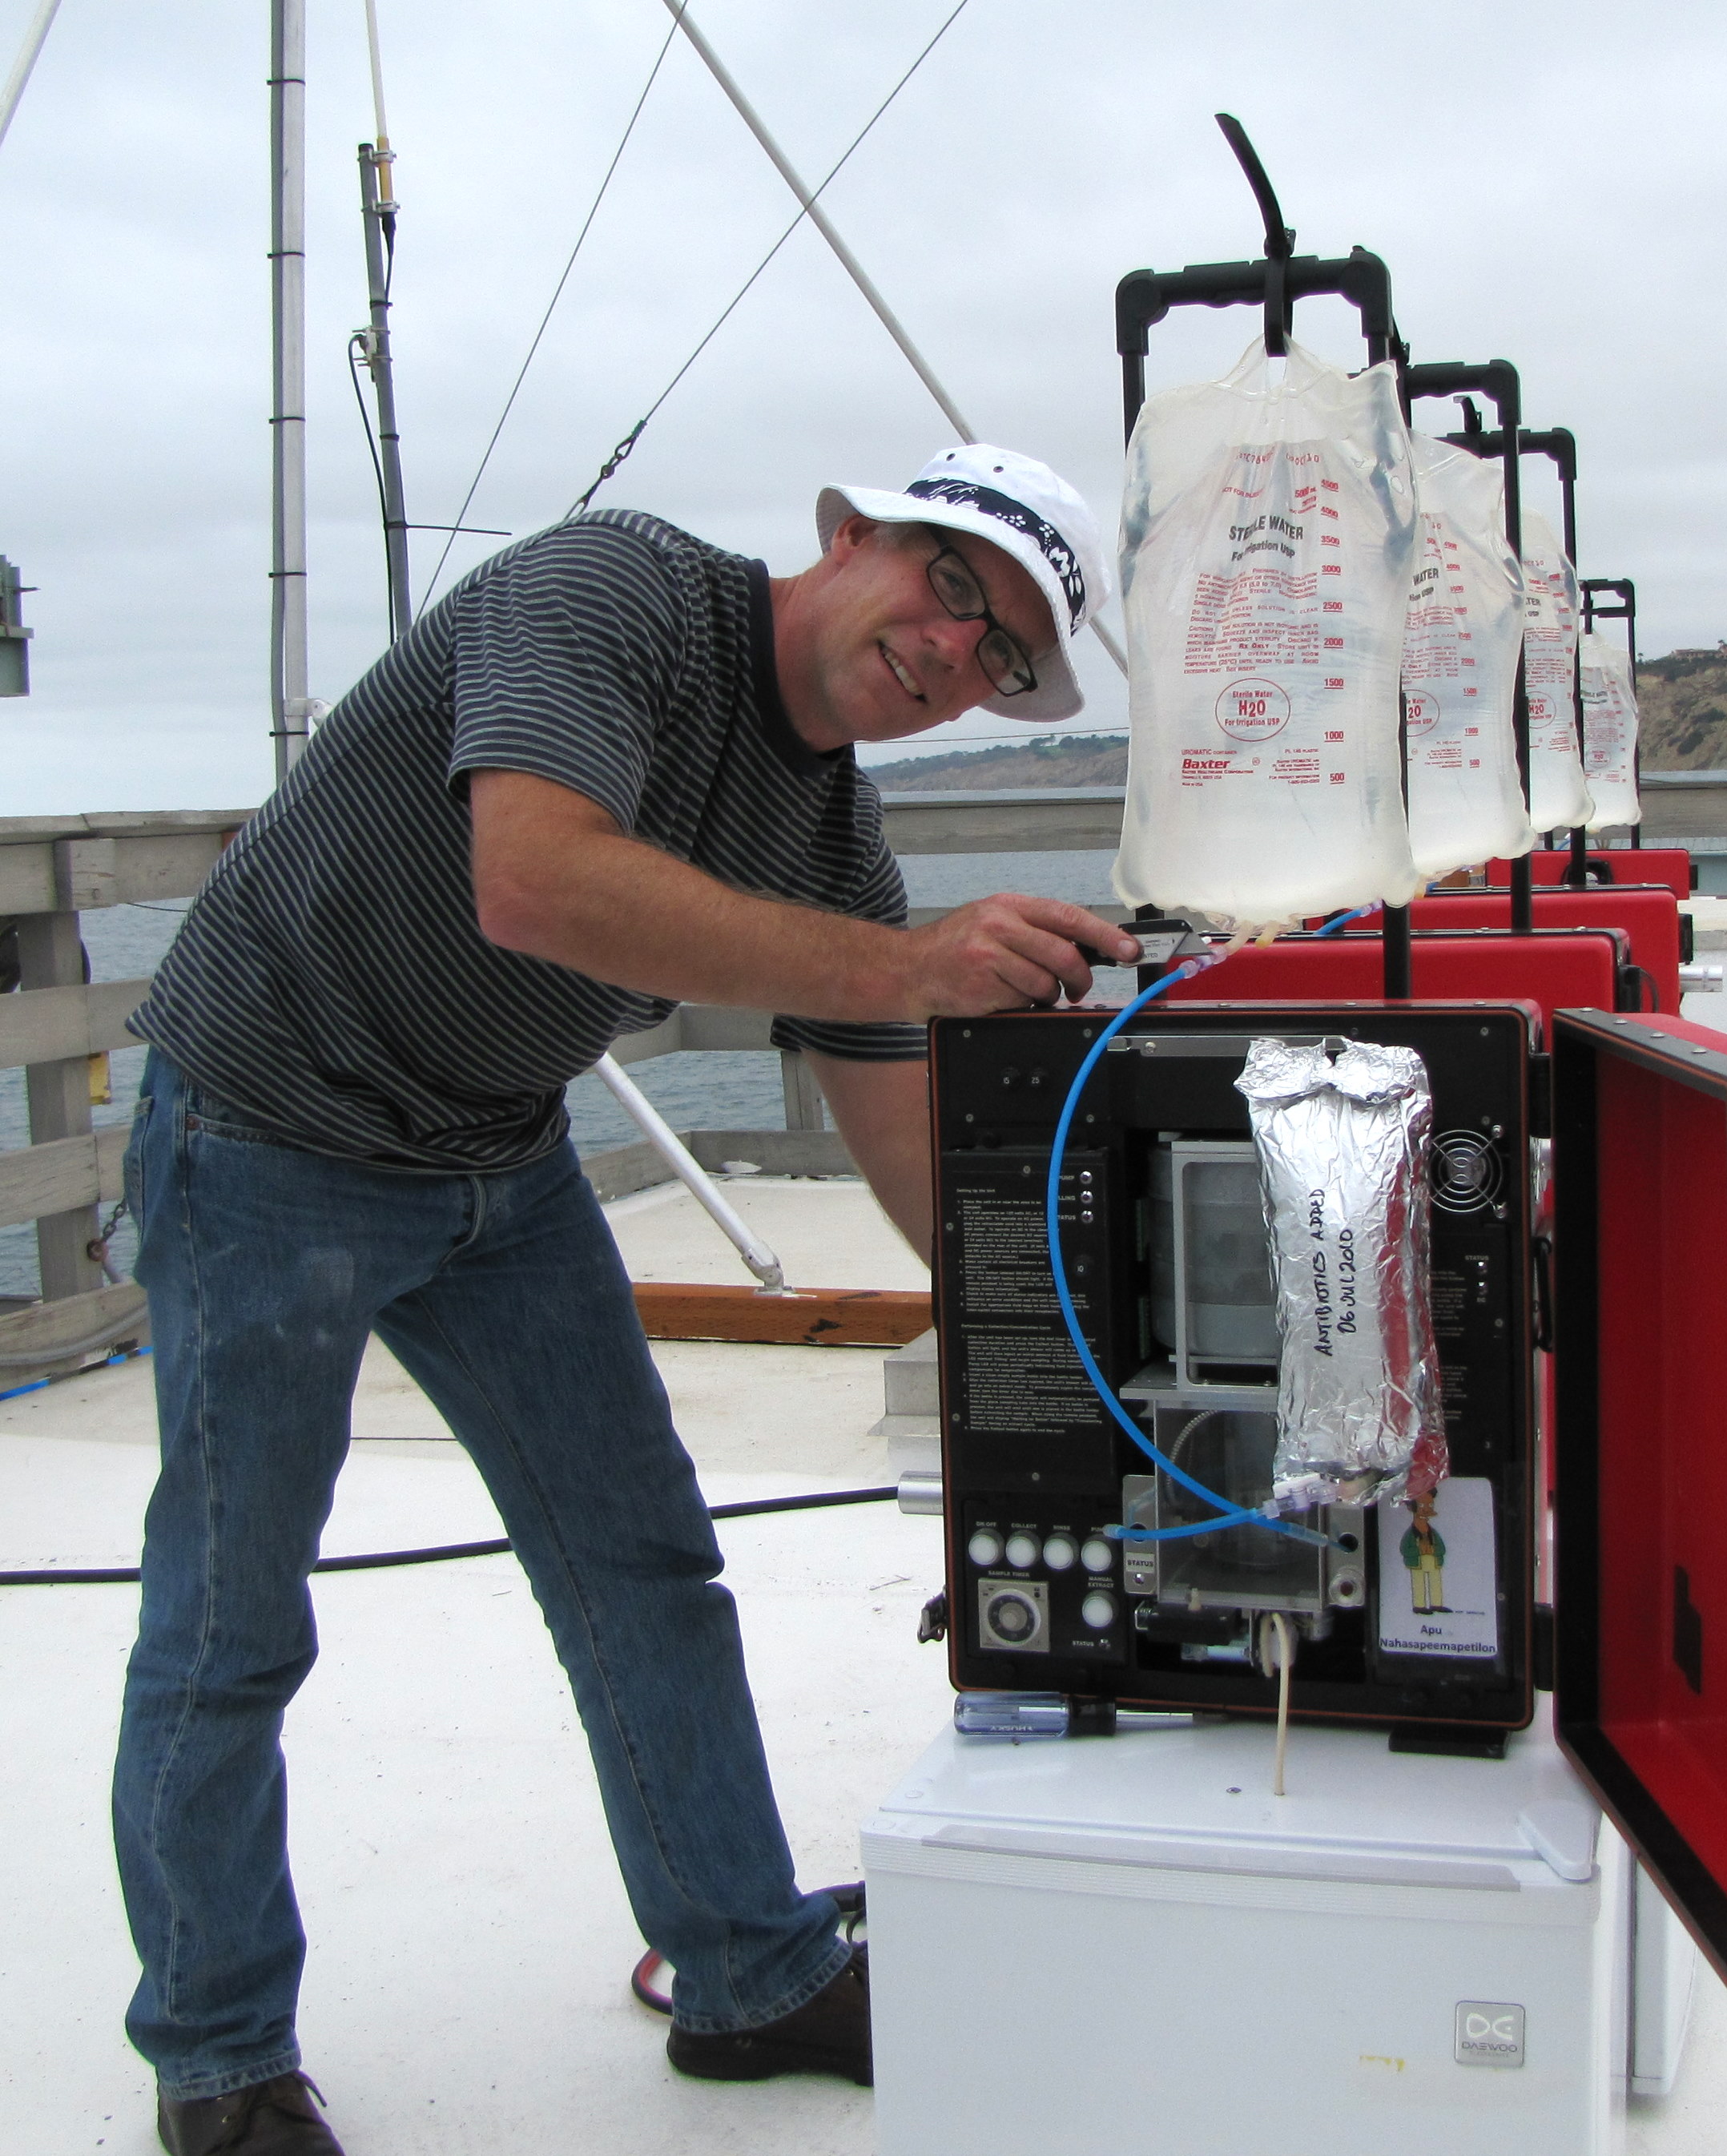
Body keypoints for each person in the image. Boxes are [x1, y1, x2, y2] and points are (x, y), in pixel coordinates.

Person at [114, 442, 1139, 2155]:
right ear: (848, 529)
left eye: (1003, 652)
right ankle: (218, 2056)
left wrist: (1055, 1367)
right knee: (231, 1623)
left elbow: (908, 1160)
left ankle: (746, 1970)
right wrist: (904, 965)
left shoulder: (834, 836)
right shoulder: (612, 592)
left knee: (646, 1564)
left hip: (495, 1156)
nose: (955, 649)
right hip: (267, 1123)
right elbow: (535, 878)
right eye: (953, 583)